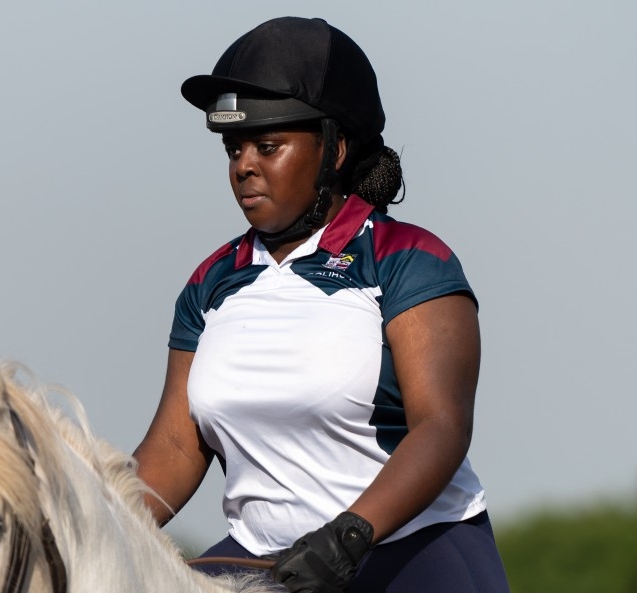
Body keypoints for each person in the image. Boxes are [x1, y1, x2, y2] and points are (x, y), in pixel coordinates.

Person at [132, 16, 510, 593]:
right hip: (262, 561)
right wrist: (78, 519)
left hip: (407, 554)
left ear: (333, 149)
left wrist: (350, 536)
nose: (243, 166)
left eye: (267, 145)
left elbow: (442, 427)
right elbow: (176, 445)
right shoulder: (211, 282)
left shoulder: (409, 260)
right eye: (234, 149)